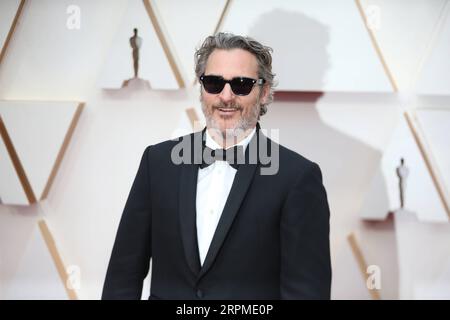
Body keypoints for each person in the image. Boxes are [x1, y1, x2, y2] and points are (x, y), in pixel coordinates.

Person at [102, 32, 331, 300]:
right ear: (202, 88)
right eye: (213, 83)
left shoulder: (297, 177)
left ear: (264, 91)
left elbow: (306, 292)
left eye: (242, 85)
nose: (226, 96)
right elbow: (123, 274)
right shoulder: (158, 162)